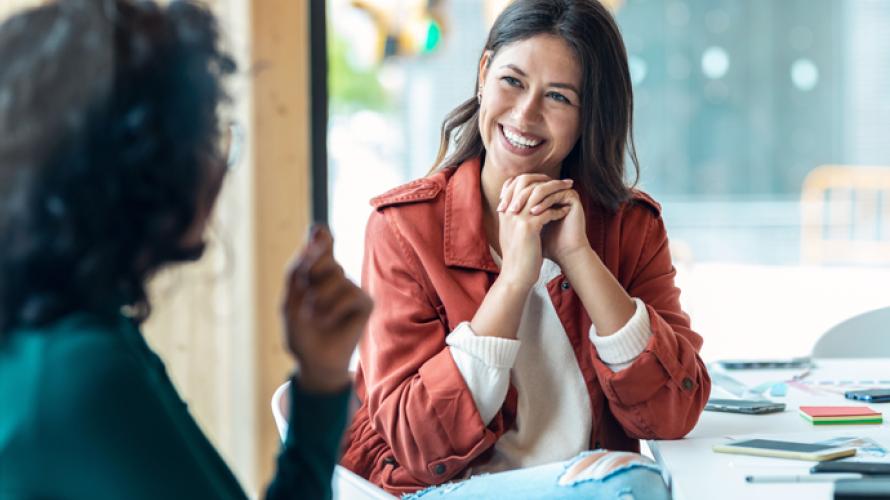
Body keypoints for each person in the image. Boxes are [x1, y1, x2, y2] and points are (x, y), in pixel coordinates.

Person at [0, 1, 371, 499]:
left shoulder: (64, 337)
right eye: (208, 134)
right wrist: (319, 393)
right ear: (144, 167)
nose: (218, 166)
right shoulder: (79, 374)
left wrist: (321, 378)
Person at [340, 0, 710, 497]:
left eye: (558, 96)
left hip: (591, 488)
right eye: (512, 81)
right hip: (448, 489)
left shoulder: (630, 227)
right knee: (633, 485)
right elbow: (420, 444)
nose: (525, 114)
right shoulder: (404, 229)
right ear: (483, 74)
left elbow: (673, 414)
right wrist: (514, 280)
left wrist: (578, 257)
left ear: (590, 114)